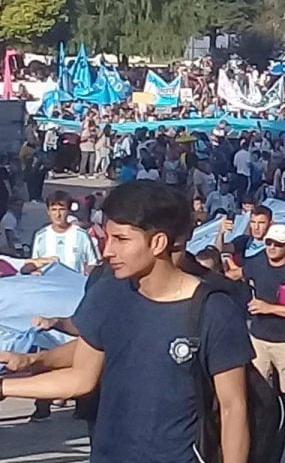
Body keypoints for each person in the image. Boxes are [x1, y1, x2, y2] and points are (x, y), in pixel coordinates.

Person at [0, 181, 254, 463]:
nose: (108, 251)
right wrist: (5, 386)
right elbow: (79, 379)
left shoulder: (213, 309)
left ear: (157, 242)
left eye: (121, 240)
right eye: (108, 239)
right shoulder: (107, 295)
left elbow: (234, 407)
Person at [243, 223, 285, 439]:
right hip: (259, 336)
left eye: (277, 244)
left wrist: (268, 307)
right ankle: (262, 421)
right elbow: (236, 274)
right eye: (269, 242)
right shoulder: (256, 262)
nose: (271, 247)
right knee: (257, 384)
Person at [32, 191, 100, 275]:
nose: (58, 215)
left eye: (62, 210)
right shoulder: (40, 236)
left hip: (74, 285)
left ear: (68, 211)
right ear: (48, 212)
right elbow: (34, 263)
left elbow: (92, 263)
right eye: (54, 210)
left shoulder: (81, 235)